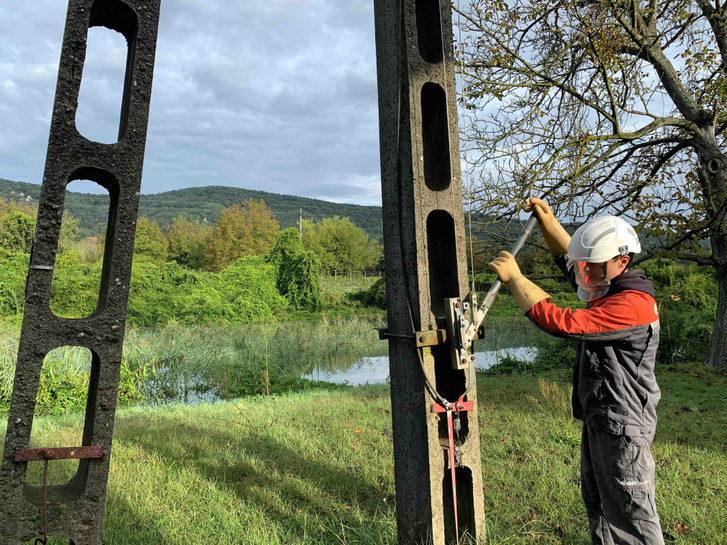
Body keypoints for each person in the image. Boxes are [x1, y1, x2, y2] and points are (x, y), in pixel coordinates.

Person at [488, 197, 664, 545]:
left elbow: (563, 322)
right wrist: (548, 222)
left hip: (623, 425)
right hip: (602, 416)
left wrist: (516, 280)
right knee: (599, 504)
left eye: (592, 266)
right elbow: (571, 263)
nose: (584, 273)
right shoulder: (607, 284)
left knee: (632, 517)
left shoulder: (631, 305)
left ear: (622, 262)